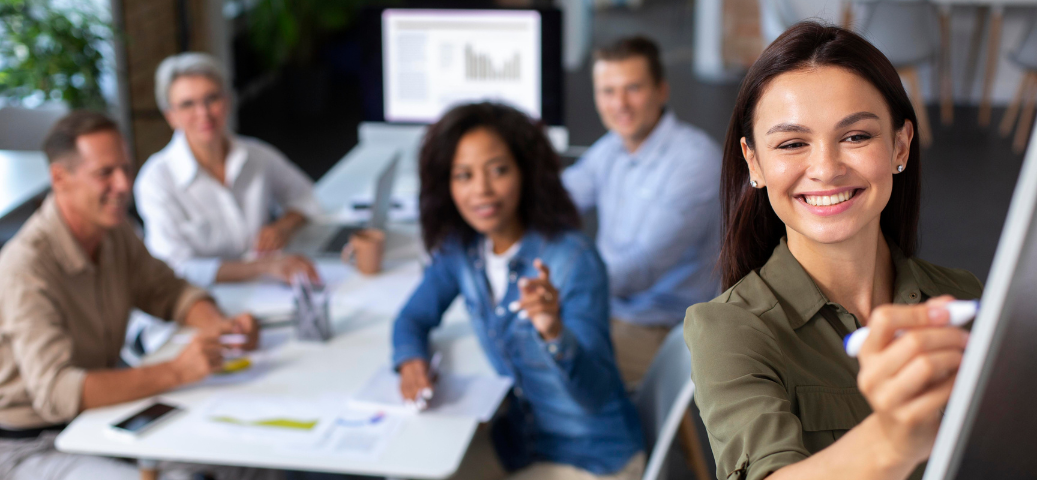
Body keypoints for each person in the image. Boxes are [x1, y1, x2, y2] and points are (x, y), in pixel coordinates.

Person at [684, 22, 983, 480]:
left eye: (856, 136)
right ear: (754, 163)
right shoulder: (729, 329)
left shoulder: (962, 297)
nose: (826, 169)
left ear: (900, 144)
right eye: (792, 144)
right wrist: (892, 441)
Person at [0, 111, 266, 478]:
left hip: (101, 417)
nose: (124, 184)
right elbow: (57, 392)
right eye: (105, 173)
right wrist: (177, 370)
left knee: (244, 452)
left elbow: (166, 290)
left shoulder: (113, 230)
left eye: (126, 167)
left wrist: (221, 328)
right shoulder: (25, 266)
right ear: (60, 179)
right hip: (32, 442)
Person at [392, 103, 644, 480]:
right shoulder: (462, 249)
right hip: (517, 444)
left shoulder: (572, 259)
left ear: (526, 171)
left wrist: (553, 331)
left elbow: (594, 394)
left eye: (498, 170)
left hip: (591, 457)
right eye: (463, 175)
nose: (481, 190)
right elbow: (412, 317)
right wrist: (410, 360)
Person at [562, 36, 722, 389]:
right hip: (608, 311)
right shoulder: (613, 148)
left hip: (658, 330)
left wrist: (562, 284)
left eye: (632, 88)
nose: (619, 104)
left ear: (661, 91)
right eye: (607, 91)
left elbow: (642, 268)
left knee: (539, 359)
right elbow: (557, 201)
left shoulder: (694, 162)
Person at [135, 52, 321, 287]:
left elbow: (306, 196)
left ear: (228, 101)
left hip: (268, 288)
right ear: (171, 116)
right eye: (187, 104)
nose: (203, 113)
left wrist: (282, 227)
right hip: (209, 298)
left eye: (211, 98)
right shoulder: (156, 180)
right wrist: (263, 267)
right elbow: (175, 266)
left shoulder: (256, 155)